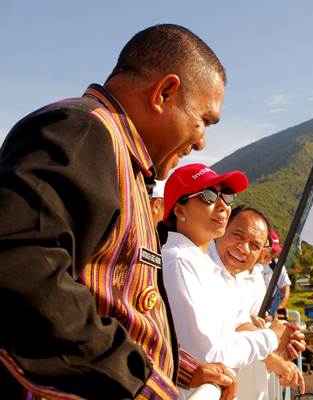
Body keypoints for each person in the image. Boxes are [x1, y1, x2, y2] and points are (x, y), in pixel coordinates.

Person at [0, 24, 235, 399]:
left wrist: (181, 367)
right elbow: (24, 274)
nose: (202, 139)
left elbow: (113, 301)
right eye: (203, 119)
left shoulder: (129, 166)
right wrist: (140, 386)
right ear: (164, 93)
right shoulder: (82, 131)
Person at [160, 164, 304, 399]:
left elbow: (237, 322)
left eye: (227, 197)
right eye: (209, 196)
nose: (223, 206)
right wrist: (271, 337)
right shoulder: (178, 261)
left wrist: (280, 336)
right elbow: (206, 354)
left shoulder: (204, 266)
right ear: (179, 210)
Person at [209, 205, 305, 399]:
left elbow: (240, 322)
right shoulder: (196, 266)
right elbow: (215, 343)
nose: (244, 249)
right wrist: (272, 343)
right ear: (222, 228)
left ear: (262, 253)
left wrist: (280, 345)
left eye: (254, 245)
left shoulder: (237, 275)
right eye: (238, 235)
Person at [259, 230, 292, 318]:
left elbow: (286, 290)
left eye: (274, 252)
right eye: (271, 251)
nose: (272, 255)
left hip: (269, 314)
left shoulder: (277, 266)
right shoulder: (246, 266)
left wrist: (278, 309)